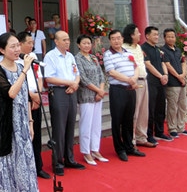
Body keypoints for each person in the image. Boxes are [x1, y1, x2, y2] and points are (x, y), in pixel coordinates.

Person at [0, 32, 38, 192]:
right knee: (7, 161)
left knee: (24, 161)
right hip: (6, 124)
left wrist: (30, 122)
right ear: (2, 50)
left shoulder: (21, 67)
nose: (17, 49)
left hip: (22, 123)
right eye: (13, 46)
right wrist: (25, 71)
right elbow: (11, 93)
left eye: (18, 45)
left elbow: (26, 97)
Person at [44, 30, 85, 175]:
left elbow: (77, 74)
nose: (67, 42)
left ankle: (69, 158)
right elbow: (49, 78)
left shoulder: (70, 56)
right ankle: (57, 162)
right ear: (56, 42)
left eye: (68, 39)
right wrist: (69, 83)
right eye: (64, 40)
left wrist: (75, 84)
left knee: (70, 126)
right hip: (58, 92)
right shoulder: (50, 56)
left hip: (71, 91)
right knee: (59, 128)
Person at [103, 29, 145, 162]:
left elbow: (136, 67)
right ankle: (120, 149)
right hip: (118, 90)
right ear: (110, 41)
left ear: (122, 39)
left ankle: (129, 146)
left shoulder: (128, 53)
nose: (116, 41)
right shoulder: (108, 54)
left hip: (130, 90)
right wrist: (128, 80)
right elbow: (111, 72)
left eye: (118, 38)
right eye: (113, 39)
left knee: (129, 119)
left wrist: (134, 79)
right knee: (117, 120)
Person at [16, 31, 50, 179]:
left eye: (32, 43)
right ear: (20, 44)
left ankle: (38, 166)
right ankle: (24, 168)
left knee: (36, 134)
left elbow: (39, 77)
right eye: (29, 43)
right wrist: (32, 96)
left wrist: (38, 95)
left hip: (36, 97)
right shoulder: (16, 60)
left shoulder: (34, 57)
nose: (31, 45)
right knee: (25, 135)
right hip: (23, 99)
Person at [74, 34, 108, 166]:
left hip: (98, 95)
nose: (87, 45)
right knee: (86, 124)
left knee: (96, 124)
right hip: (86, 95)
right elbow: (83, 78)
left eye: (89, 43)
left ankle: (95, 149)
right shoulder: (77, 59)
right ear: (78, 45)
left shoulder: (94, 58)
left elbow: (101, 75)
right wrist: (98, 90)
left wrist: (101, 90)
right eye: (84, 43)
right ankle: (86, 151)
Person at [122, 24, 154, 148]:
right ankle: (132, 139)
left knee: (143, 111)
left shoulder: (139, 47)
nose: (140, 34)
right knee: (134, 111)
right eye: (137, 32)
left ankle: (142, 137)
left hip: (144, 79)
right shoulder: (124, 48)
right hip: (133, 82)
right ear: (131, 35)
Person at [162, 28, 187, 138]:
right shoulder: (163, 51)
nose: (171, 38)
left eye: (173, 36)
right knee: (172, 106)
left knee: (182, 105)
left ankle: (181, 127)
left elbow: (183, 62)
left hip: (181, 82)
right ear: (164, 38)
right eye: (168, 36)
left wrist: (183, 74)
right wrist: (178, 77)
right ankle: (172, 128)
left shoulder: (178, 50)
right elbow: (167, 65)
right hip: (172, 82)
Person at [141, 26, 170, 144]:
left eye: (157, 34)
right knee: (151, 109)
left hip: (161, 82)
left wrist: (165, 75)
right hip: (151, 82)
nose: (157, 37)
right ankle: (149, 134)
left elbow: (163, 63)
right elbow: (148, 65)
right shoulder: (143, 48)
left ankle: (159, 131)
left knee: (161, 107)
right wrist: (160, 76)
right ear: (147, 36)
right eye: (154, 34)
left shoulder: (158, 49)